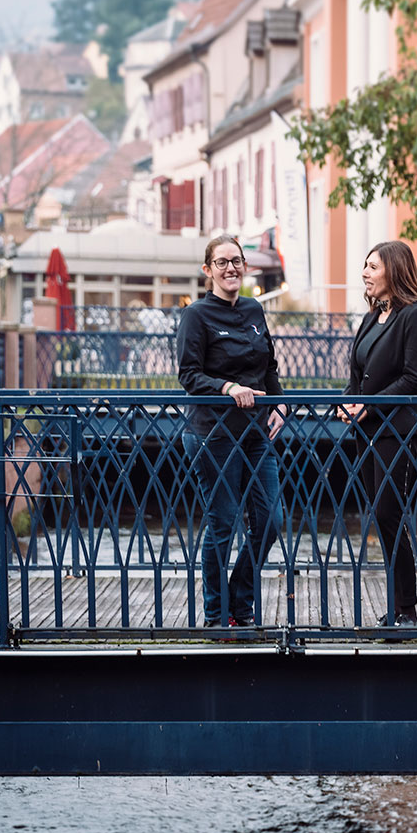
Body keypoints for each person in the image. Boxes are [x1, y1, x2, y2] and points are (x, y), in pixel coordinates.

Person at [176, 234, 286, 627]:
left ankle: (241, 601)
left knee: (270, 519)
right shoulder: (196, 316)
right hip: (213, 434)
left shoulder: (255, 310)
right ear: (208, 271)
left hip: (256, 433)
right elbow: (188, 375)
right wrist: (228, 388)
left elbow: (269, 365)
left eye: (236, 261)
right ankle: (217, 615)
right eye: (221, 262)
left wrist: (280, 402)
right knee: (222, 522)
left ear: (245, 266)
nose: (230, 268)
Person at [338, 240, 417, 627]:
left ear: (393, 270)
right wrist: (348, 401)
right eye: (364, 265)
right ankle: (396, 606)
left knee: (388, 513)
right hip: (366, 431)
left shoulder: (414, 317)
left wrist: (369, 404)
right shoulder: (370, 317)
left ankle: (407, 610)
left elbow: (414, 379)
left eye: (372, 267)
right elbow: (355, 375)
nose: (365, 272)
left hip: (395, 431)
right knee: (379, 516)